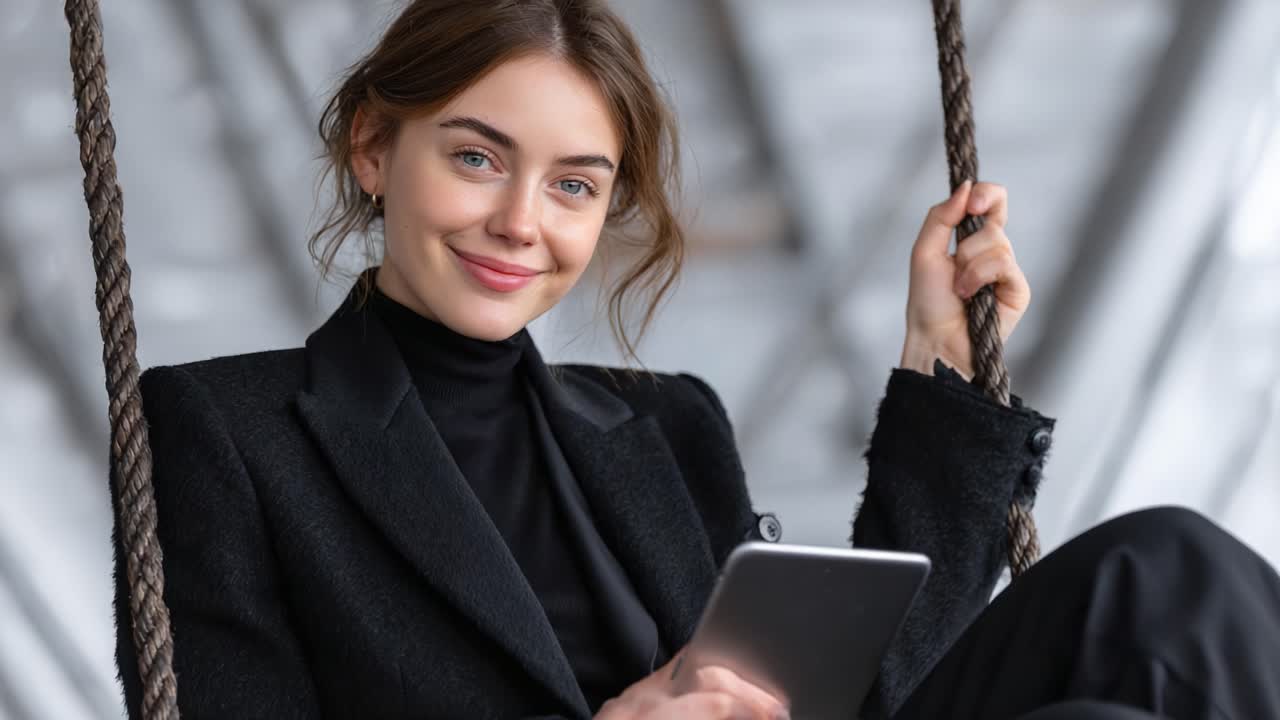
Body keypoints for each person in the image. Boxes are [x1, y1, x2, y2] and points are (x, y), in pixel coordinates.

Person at [113, 1, 1280, 718]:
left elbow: (867, 694)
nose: (523, 221)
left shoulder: (666, 423)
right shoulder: (223, 430)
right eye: (477, 159)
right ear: (376, 148)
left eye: (574, 184)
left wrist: (937, 365)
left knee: (1164, 571)